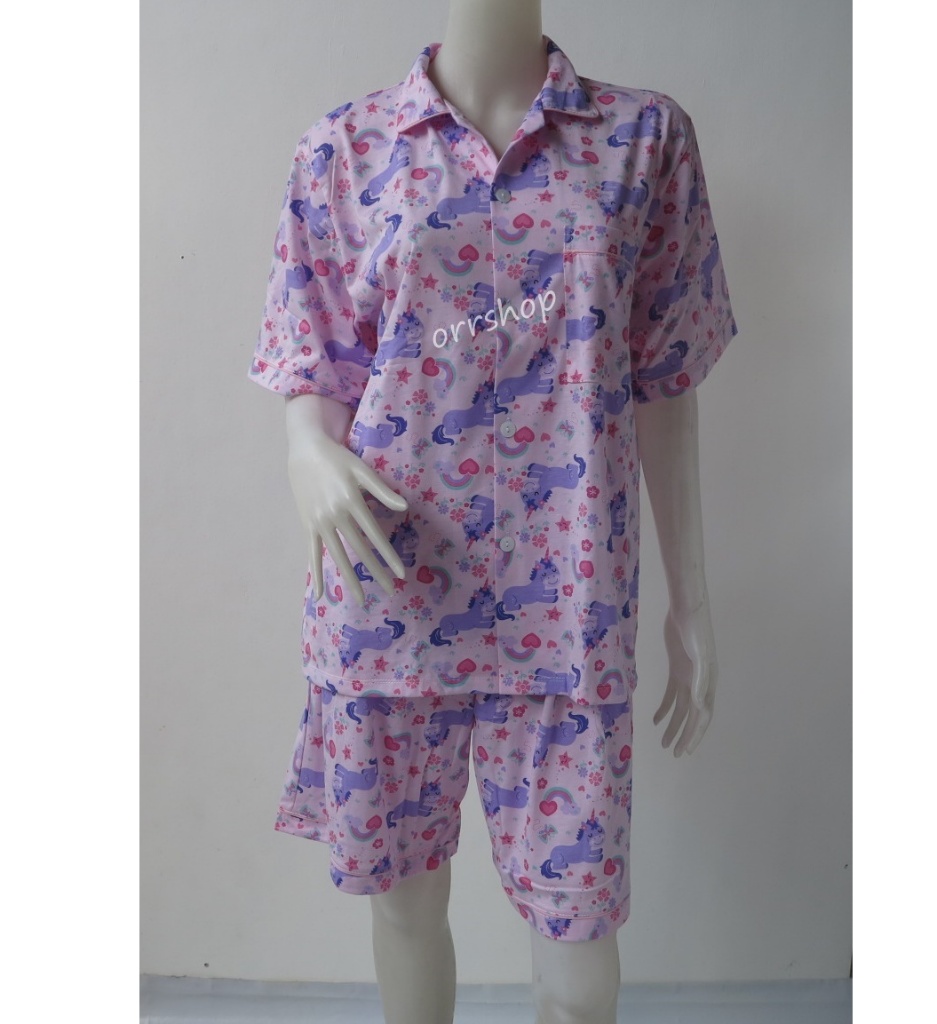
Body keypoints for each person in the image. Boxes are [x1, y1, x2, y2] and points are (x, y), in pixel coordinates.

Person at [248, 3, 737, 1022]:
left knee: (577, 943)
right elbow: (314, 362)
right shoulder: (344, 147)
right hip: (389, 595)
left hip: (568, 607)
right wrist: (304, 448)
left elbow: (667, 382)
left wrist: (690, 599)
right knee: (404, 910)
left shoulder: (643, 139)